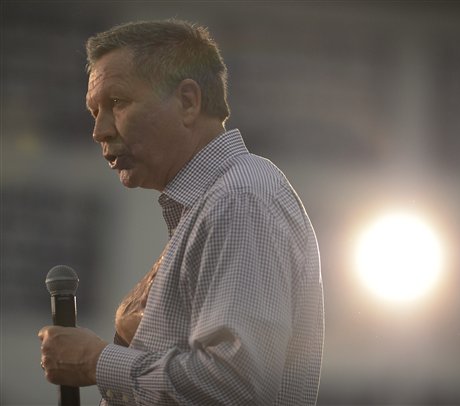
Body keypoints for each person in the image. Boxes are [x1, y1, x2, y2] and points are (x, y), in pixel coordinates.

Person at [38, 19, 324, 405]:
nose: (99, 131)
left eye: (117, 103)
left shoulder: (239, 200)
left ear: (188, 101)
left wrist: (97, 361)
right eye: (94, 112)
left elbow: (235, 387)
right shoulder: (213, 202)